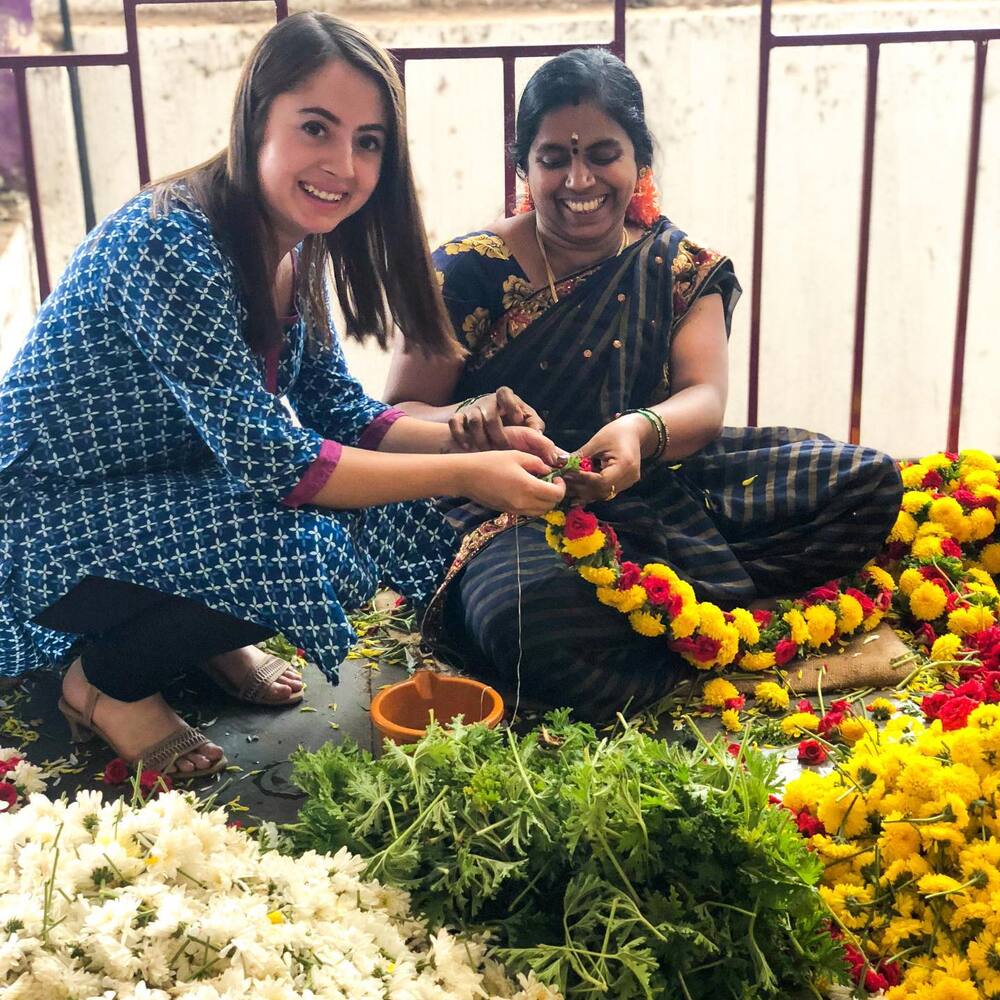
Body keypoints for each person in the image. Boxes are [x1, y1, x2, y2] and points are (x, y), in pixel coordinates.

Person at [0, 13, 565, 777]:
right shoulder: (170, 239)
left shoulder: (297, 250)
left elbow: (341, 411)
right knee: (313, 544)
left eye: (368, 141)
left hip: (148, 496)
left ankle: (205, 640)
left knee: (375, 513)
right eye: (316, 128)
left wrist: (473, 434)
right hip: (40, 515)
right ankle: (104, 686)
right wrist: (465, 473)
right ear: (255, 118)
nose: (344, 164)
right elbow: (278, 465)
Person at [386, 48, 903, 721]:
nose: (579, 179)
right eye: (553, 159)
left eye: (603, 153)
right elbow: (398, 414)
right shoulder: (466, 269)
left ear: (639, 161)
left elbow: (703, 399)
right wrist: (470, 414)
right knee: (523, 620)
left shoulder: (680, 266)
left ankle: (659, 615)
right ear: (524, 168)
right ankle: (688, 624)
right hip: (506, 503)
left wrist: (640, 429)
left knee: (867, 485)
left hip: (654, 482)